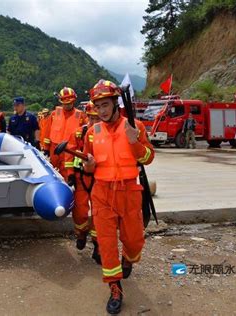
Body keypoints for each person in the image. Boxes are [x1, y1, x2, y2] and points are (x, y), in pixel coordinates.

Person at [82, 79, 155, 314]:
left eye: (105, 105)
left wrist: (134, 143)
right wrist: (89, 166)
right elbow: (86, 166)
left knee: (133, 241)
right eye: (98, 106)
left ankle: (128, 260)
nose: (101, 110)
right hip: (102, 192)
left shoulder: (135, 126)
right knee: (107, 243)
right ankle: (115, 288)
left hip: (129, 191)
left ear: (116, 103)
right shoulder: (92, 133)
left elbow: (147, 158)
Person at [64, 102, 100, 264]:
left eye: (96, 118)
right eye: (91, 118)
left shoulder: (104, 136)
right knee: (80, 212)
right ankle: (81, 233)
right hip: (80, 178)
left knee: (100, 214)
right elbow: (69, 157)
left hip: (100, 179)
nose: (93, 122)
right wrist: (70, 174)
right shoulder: (77, 134)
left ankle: (98, 245)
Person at [41, 87, 86, 179]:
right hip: (54, 149)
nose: (67, 105)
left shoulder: (81, 116)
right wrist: (46, 147)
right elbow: (47, 131)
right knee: (53, 173)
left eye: (69, 103)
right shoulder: (54, 114)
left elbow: (85, 135)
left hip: (70, 150)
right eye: (65, 103)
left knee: (67, 175)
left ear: (73, 101)